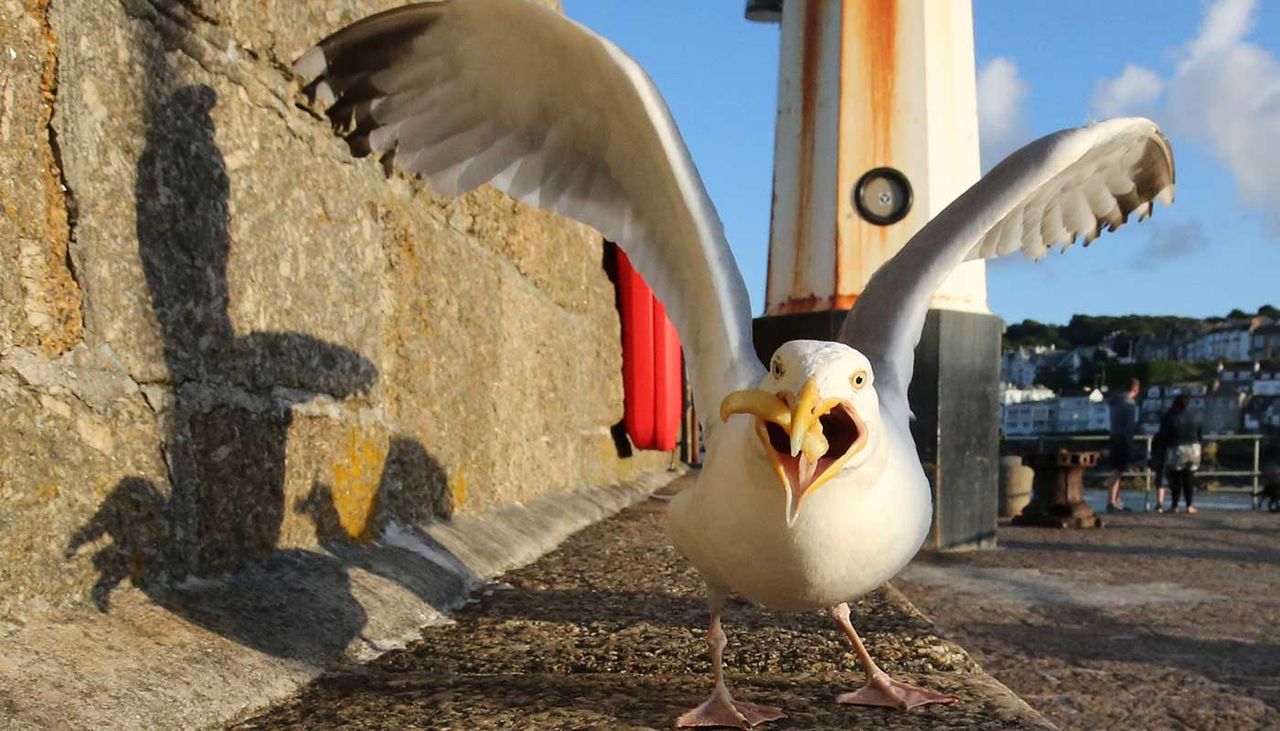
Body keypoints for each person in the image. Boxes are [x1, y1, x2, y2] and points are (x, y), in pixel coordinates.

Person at [1156, 393, 1202, 514]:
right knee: (1189, 477)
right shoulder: (1194, 416)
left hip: (1177, 449)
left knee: (1175, 479)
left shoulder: (1169, 417)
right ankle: (1189, 505)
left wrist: (1160, 450)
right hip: (1194, 448)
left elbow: (1163, 435)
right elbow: (1200, 433)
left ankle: (1174, 505)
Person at [1104, 379, 1142, 512]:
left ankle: (1114, 500)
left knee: (1117, 469)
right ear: (1136, 389)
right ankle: (1112, 500)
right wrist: (1130, 443)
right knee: (1118, 471)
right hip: (1123, 440)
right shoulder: (1129, 404)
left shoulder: (1115, 402)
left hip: (1114, 437)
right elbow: (1129, 427)